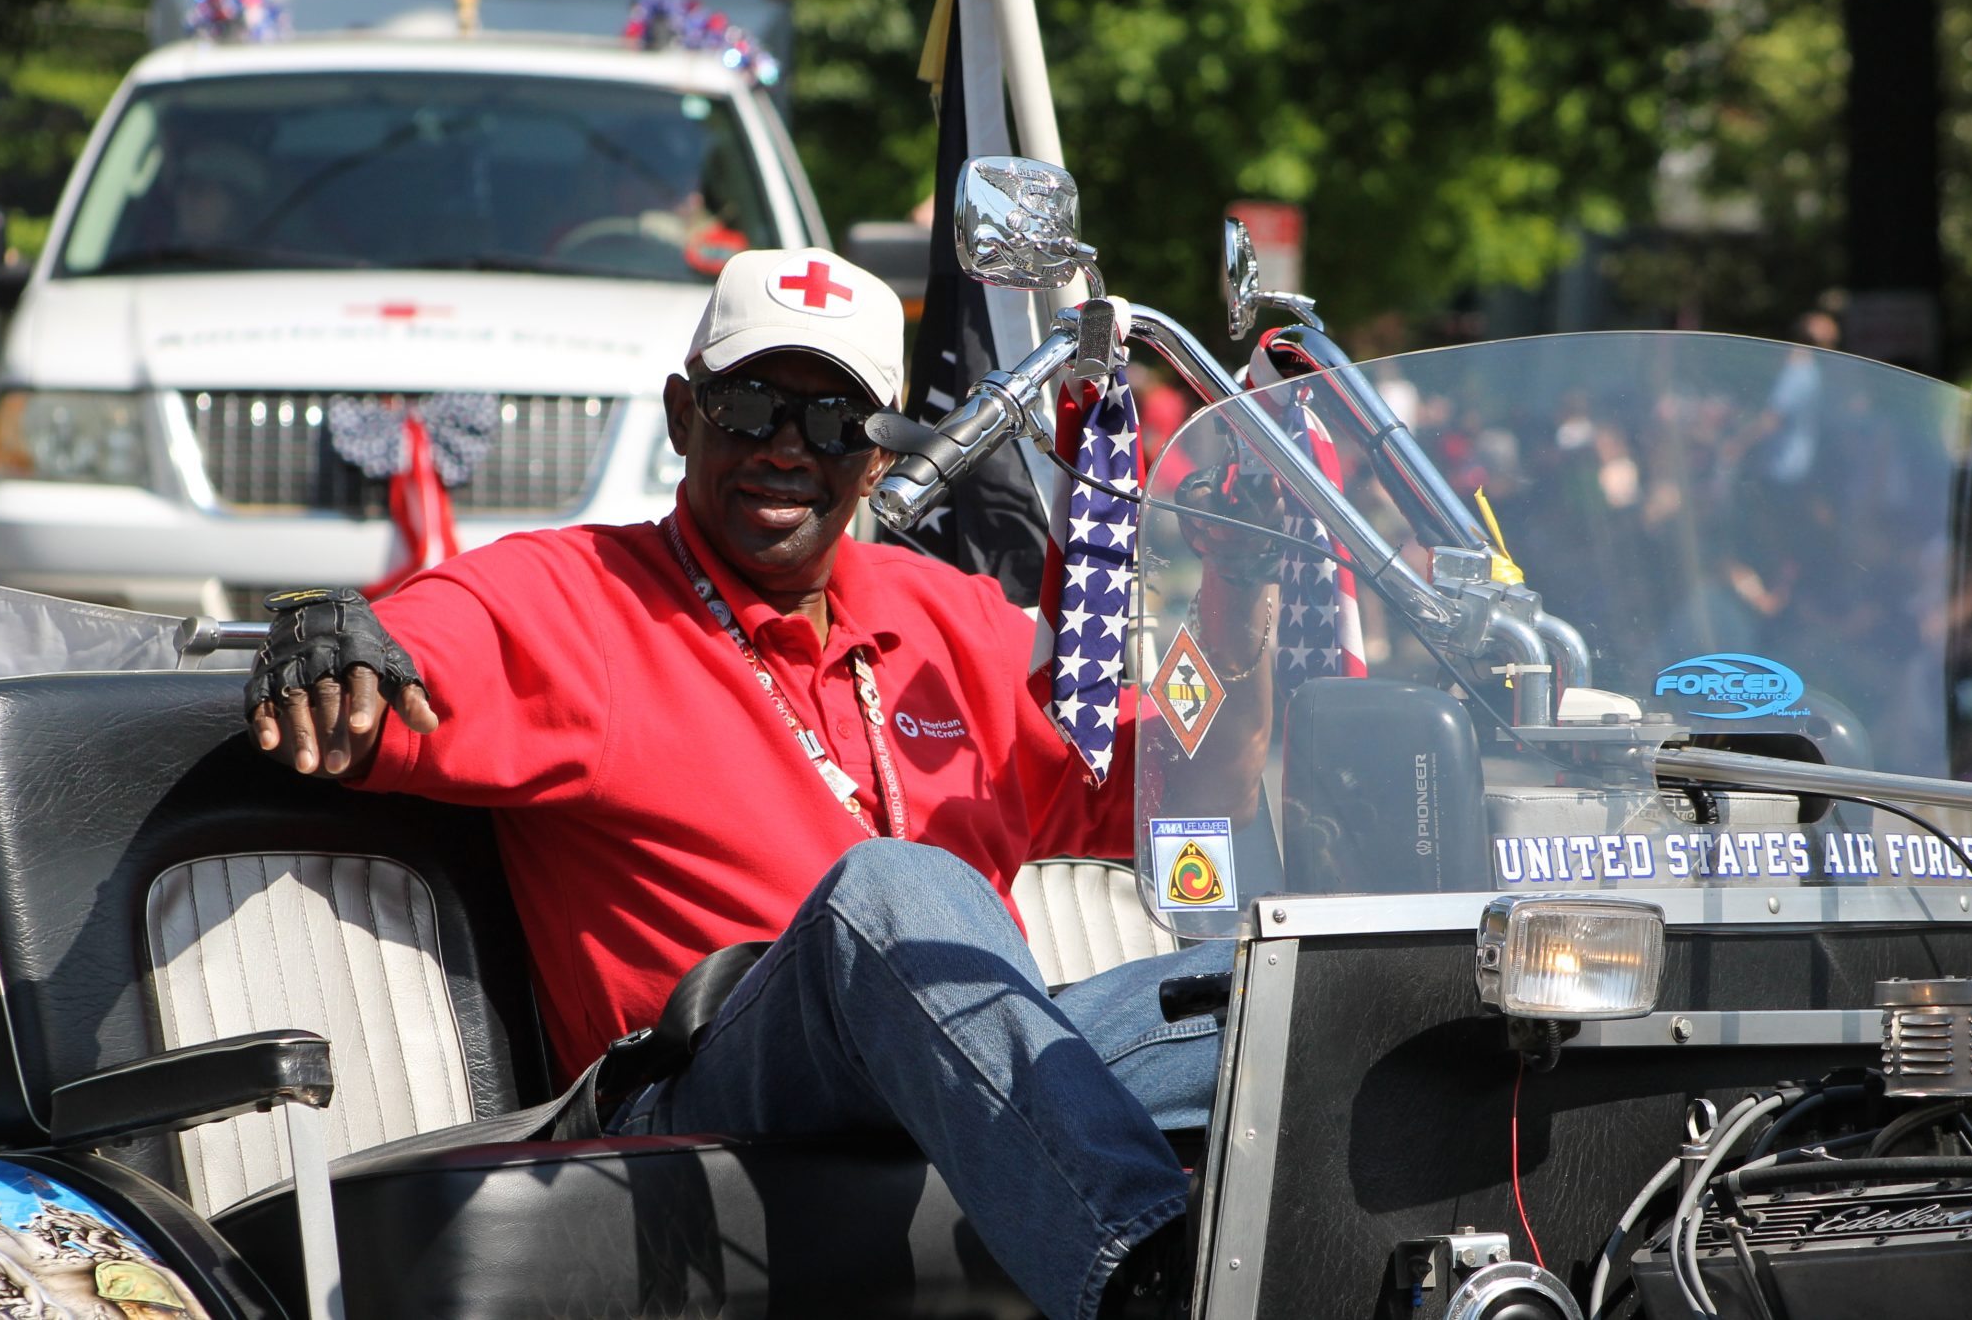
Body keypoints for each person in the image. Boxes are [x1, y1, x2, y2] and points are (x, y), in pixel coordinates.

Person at [246, 247, 1276, 1320]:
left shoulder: (950, 619)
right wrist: (337, 640)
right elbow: (411, 657)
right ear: (682, 414)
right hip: (708, 1090)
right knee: (887, 889)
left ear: (878, 458)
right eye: (749, 408)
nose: (787, 450)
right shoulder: (578, 595)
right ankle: (1157, 1286)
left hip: (943, 1067)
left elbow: (1182, 791)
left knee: (1259, 993)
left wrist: (1236, 589)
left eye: (835, 421)